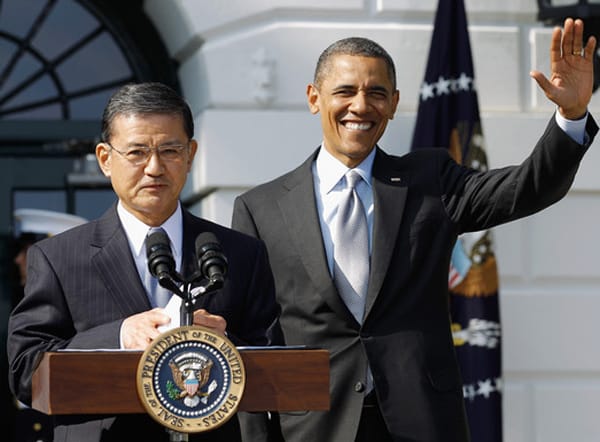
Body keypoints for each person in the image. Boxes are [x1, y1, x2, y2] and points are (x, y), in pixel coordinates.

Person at [231, 17, 597, 442]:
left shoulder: (431, 179)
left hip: (421, 421)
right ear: (315, 98)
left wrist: (570, 116)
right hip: (313, 425)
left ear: (394, 101)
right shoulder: (260, 208)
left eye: (377, 93)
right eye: (345, 91)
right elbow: (250, 340)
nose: (361, 106)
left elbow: (525, 188)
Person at [7, 82, 281, 442]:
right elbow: (26, 370)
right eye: (137, 152)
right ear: (105, 159)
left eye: (169, 150)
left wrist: (225, 345)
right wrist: (119, 337)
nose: (154, 168)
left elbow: (277, 360)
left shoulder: (239, 252)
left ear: (190, 154)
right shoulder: (60, 257)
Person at [8, 209, 87, 442]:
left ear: (54, 255)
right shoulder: (21, 304)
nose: (18, 260)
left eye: (27, 251)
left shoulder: (75, 310)